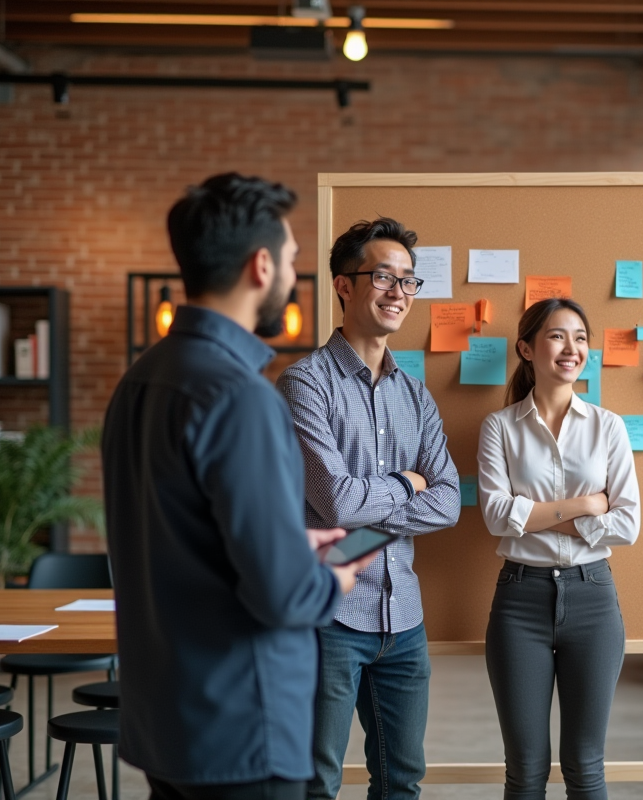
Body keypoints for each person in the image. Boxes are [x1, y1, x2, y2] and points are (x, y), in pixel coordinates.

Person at [102, 173, 373, 800]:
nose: (291, 271)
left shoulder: (139, 381)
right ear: (260, 266)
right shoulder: (240, 396)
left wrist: (283, 537)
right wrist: (328, 579)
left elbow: (179, 532)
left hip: (167, 721)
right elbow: (281, 595)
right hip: (244, 728)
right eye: (291, 259)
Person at [276, 217, 461, 800]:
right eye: (384, 276)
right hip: (329, 616)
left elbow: (451, 501)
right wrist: (408, 484)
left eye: (409, 282)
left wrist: (371, 498)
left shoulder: (415, 393)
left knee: (401, 782)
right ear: (344, 285)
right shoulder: (305, 384)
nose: (399, 293)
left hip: (403, 618)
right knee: (316, 783)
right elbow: (335, 499)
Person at [477, 298, 641, 800]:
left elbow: (627, 524)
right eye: (556, 336)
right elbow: (496, 517)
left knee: (586, 767)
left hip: (593, 598)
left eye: (581, 338)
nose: (572, 348)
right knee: (524, 770)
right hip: (518, 600)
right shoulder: (499, 427)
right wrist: (585, 506)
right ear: (527, 348)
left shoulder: (608, 426)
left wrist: (537, 515)